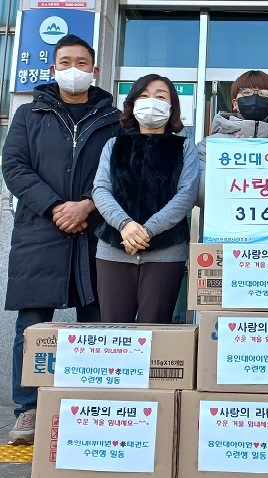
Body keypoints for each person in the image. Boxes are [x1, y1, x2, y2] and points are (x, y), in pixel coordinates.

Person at [2, 35, 122, 445]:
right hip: (40, 232)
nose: (74, 69)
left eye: (82, 62)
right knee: (32, 326)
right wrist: (56, 207)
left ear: (95, 70)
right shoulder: (29, 114)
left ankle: (90, 402)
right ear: (53, 69)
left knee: (96, 321)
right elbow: (15, 167)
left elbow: (119, 173)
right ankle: (29, 408)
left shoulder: (114, 119)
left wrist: (86, 206)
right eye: (65, 62)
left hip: (95, 232)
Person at [92, 74, 199, 324]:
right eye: (144, 96)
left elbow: (186, 195)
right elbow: (100, 189)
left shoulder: (185, 147)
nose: (152, 101)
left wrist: (147, 231)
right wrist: (125, 225)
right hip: (113, 248)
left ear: (172, 107)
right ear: (132, 104)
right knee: (114, 329)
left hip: (166, 251)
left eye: (161, 97)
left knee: (156, 329)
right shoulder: (113, 145)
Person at [196, 70, 268, 208]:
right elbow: (198, 195)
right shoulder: (209, 145)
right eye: (246, 92)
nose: (255, 97)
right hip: (227, 220)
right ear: (235, 103)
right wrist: (233, 161)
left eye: (263, 93)